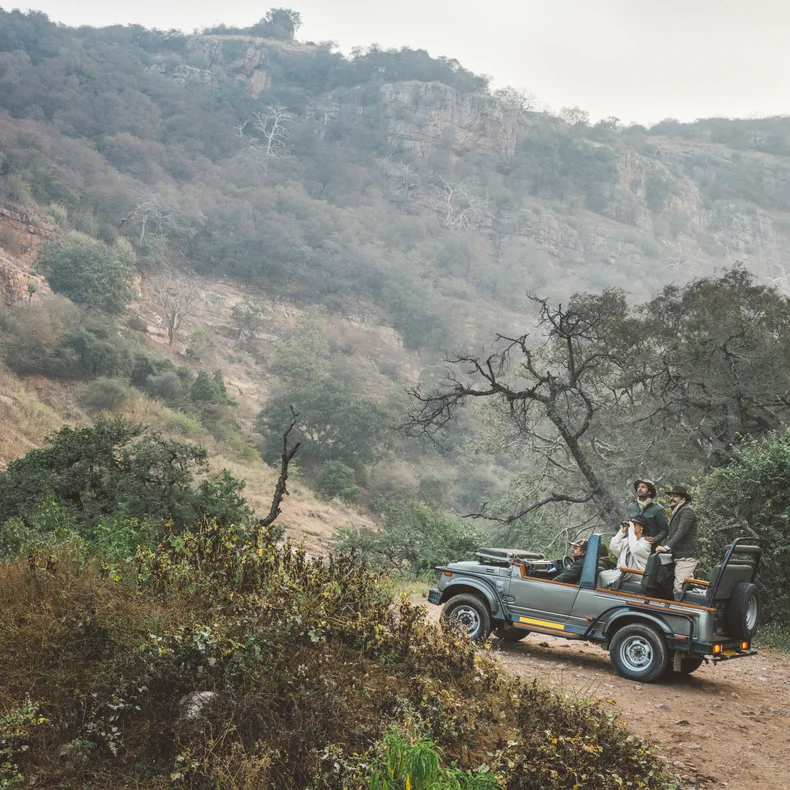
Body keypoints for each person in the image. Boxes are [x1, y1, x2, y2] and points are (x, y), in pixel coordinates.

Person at [655, 485, 699, 594]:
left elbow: (681, 532)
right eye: (670, 496)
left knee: (680, 589)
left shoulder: (687, 511)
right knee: (685, 587)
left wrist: (666, 547)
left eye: (675, 496)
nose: (671, 498)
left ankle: (685, 610)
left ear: (683, 499)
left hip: (686, 557)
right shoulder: (678, 511)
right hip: (679, 556)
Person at [599, 514, 652, 588]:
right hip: (623, 572)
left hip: (636, 574)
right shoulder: (627, 541)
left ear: (642, 527)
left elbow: (635, 550)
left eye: (635, 525)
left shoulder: (646, 543)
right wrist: (622, 532)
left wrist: (631, 530)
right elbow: (613, 547)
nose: (631, 527)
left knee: (604, 576)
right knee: (601, 574)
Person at [627, 479, 669, 546]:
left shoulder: (657, 509)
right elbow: (629, 527)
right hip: (633, 546)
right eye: (638, 487)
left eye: (643, 487)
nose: (639, 489)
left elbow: (665, 530)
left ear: (649, 492)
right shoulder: (631, 507)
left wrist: (655, 539)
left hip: (651, 548)